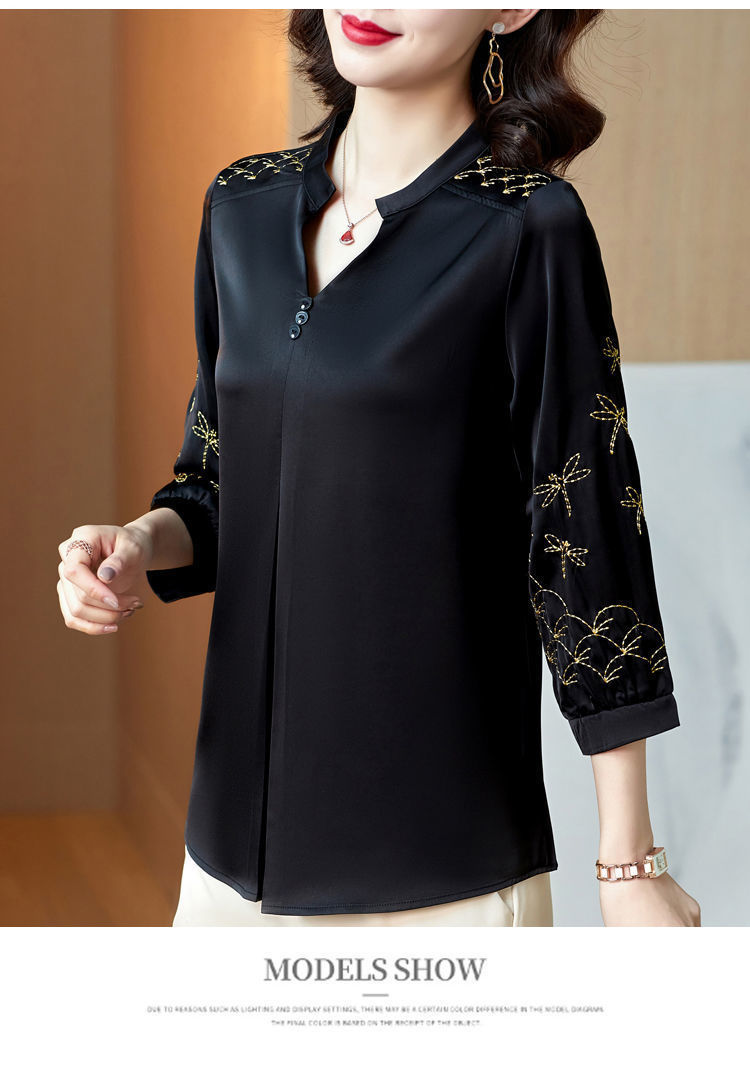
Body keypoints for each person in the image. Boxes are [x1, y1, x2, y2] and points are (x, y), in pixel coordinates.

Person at [57, 9, 700, 927]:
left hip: (438, 872)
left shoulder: (528, 227)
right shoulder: (240, 206)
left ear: (512, 9)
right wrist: (137, 543)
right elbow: (217, 480)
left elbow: (584, 533)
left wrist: (628, 862)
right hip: (226, 868)